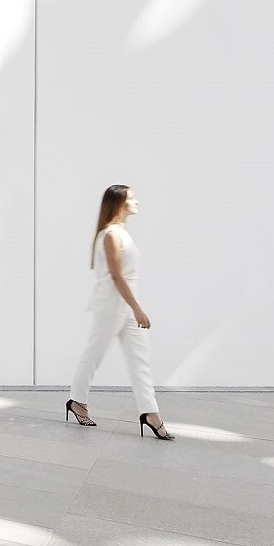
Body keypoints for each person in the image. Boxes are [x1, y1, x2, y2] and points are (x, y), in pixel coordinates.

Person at [66, 184, 173, 440]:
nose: (137, 201)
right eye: (132, 198)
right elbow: (116, 276)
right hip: (112, 303)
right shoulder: (111, 235)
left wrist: (133, 307)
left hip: (125, 302)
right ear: (119, 202)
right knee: (95, 352)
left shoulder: (122, 233)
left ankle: (150, 413)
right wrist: (138, 309)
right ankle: (76, 400)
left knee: (140, 359)